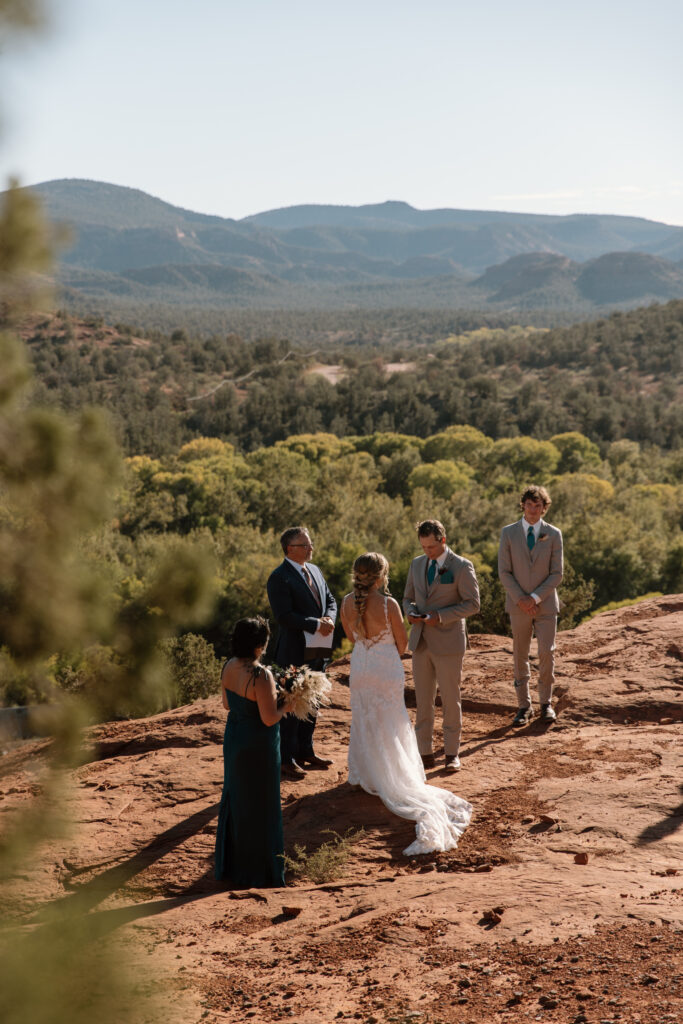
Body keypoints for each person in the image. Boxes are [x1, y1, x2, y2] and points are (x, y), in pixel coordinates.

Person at [341, 552, 472, 855]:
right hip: (385, 666)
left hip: (360, 665)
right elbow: (402, 643)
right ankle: (395, 775)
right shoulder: (389, 605)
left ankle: (366, 773)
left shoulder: (347, 602)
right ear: (380, 576)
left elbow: (351, 637)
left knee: (365, 717)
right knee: (392, 719)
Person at [214, 617, 293, 888]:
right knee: (262, 803)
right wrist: (288, 705)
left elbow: (227, 705)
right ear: (259, 645)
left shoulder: (228, 666)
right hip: (259, 745)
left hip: (235, 739)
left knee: (237, 798)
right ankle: (261, 871)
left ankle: (232, 865)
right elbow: (270, 718)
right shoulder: (261, 675)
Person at [402, 520, 480, 772]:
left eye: (432, 547)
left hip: (448, 642)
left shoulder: (462, 566)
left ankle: (451, 754)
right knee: (423, 701)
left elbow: (473, 604)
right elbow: (407, 597)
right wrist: (410, 612)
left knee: (450, 698)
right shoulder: (416, 564)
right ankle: (423, 754)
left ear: (443, 540)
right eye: (424, 547)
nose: (428, 552)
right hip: (421, 641)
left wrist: (441, 616)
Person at [267, 526, 337, 780]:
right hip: (293, 651)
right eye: (304, 545)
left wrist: (329, 617)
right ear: (289, 549)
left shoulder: (315, 570)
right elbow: (284, 616)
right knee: (291, 705)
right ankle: (286, 759)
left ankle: (306, 751)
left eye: (310, 544)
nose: (310, 548)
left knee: (313, 702)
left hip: (318, 648)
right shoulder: (279, 577)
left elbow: (330, 599)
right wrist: (317, 624)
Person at [498, 485, 563, 726]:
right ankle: (523, 706)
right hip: (517, 605)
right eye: (529, 504)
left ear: (544, 508)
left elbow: (557, 573)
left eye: (538, 506)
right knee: (520, 655)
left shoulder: (554, 534)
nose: (533, 510)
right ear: (523, 505)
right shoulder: (508, 533)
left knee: (547, 652)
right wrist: (521, 600)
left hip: (545, 606)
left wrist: (534, 598)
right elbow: (504, 571)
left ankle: (546, 704)